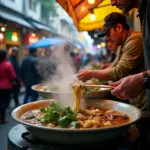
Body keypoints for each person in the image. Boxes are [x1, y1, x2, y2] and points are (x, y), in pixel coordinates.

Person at [77, 12, 146, 110]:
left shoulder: (134, 41)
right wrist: (93, 79)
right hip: (136, 100)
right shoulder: (124, 44)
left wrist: (91, 74)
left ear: (119, 27)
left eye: (109, 33)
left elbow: (118, 71)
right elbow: (114, 65)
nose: (108, 39)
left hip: (144, 101)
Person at [0, 50, 16, 123]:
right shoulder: (8, 64)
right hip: (6, 87)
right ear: (4, 56)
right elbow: (13, 76)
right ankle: (2, 119)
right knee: (4, 103)